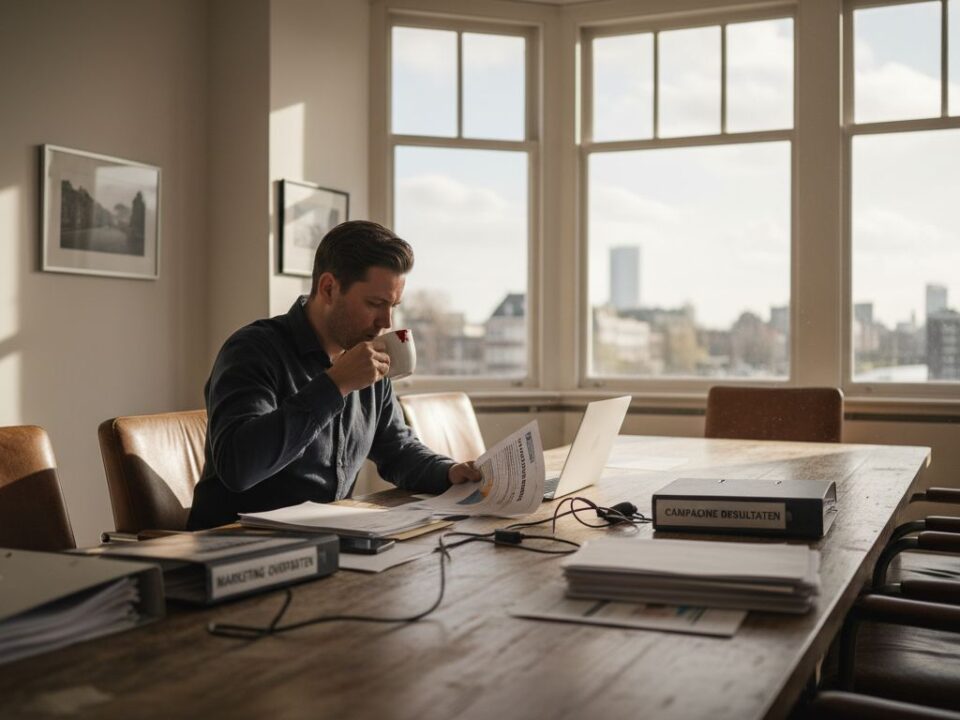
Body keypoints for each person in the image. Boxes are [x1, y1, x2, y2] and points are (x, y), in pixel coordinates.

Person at [187, 220, 482, 530]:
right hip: (235, 547)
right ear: (329, 288)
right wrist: (335, 384)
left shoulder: (368, 355)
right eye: (375, 303)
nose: (386, 321)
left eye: (394, 305)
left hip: (325, 541)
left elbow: (397, 449)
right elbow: (239, 468)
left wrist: (448, 472)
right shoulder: (253, 350)